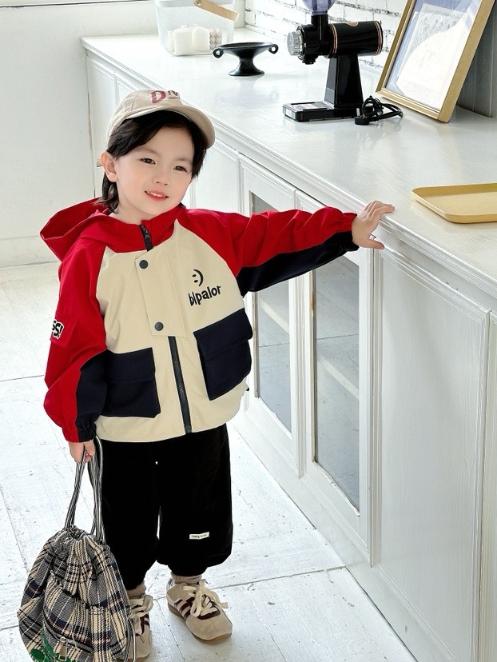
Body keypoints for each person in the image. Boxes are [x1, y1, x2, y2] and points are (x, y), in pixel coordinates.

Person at [40, 88, 394, 659]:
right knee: (126, 519)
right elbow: (72, 349)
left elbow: (276, 235)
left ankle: (188, 586)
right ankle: (129, 598)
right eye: (147, 159)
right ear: (110, 163)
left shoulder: (208, 236)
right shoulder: (91, 254)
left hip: (203, 415)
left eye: (181, 166)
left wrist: (344, 230)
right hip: (125, 424)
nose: (163, 177)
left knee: (199, 507)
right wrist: (75, 424)